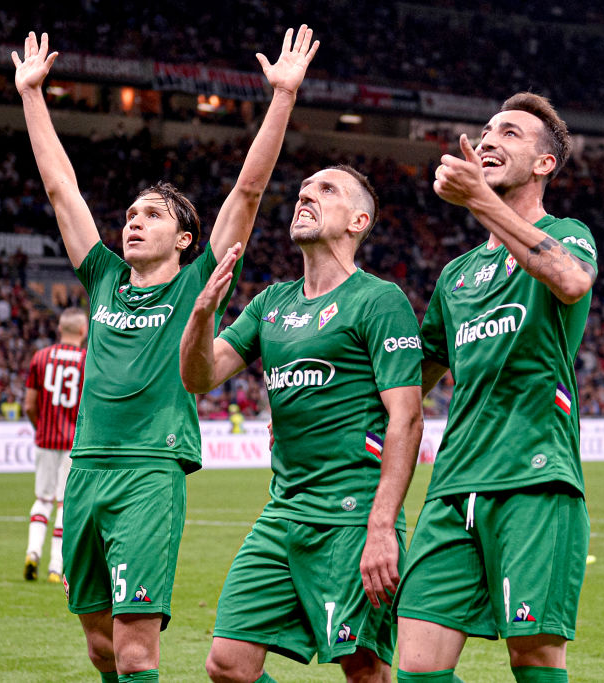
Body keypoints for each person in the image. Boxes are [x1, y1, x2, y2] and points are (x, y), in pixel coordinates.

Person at [12, 25, 318, 682]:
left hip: (150, 471)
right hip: (86, 470)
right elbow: (62, 188)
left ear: (184, 239)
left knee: (134, 652)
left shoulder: (196, 281)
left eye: (151, 215)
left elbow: (246, 194)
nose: (133, 220)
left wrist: (282, 98)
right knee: (100, 649)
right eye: (130, 213)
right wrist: (31, 94)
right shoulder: (103, 278)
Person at [180, 165, 424, 683]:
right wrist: (201, 315)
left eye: (325, 190)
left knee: (363, 669)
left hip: (352, 515)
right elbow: (199, 376)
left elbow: (407, 418)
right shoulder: (271, 303)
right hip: (283, 512)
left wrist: (382, 526)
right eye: (302, 192)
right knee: (227, 665)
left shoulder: (379, 300)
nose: (305, 198)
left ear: (358, 221)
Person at [393, 93, 597, 683]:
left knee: (533, 658)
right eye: (486, 131)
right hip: (452, 486)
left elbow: (570, 281)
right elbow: (414, 380)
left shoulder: (568, 234)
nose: (488, 139)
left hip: (532, 476)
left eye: (509, 133)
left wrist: (479, 200)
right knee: (418, 669)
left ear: (544, 164)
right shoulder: (456, 275)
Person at [22, 307, 88, 584]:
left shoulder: (40, 357)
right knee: (65, 503)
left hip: (45, 439)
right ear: (83, 331)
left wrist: (41, 427)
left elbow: (29, 405)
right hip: (74, 443)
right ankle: (55, 566)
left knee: (42, 499)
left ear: (60, 329)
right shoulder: (87, 360)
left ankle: (32, 552)